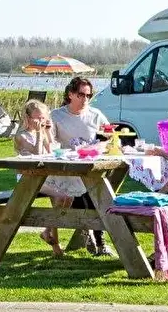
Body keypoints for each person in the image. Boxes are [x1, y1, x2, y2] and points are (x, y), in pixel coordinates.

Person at [49, 76, 111, 255]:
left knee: (101, 192)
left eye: (88, 96)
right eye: (81, 95)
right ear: (70, 94)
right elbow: (50, 143)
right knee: (84, 192)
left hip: (91, 166)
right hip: (66, 169)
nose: (85, 99)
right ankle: (93, 236)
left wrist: (103, 142)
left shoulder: (95, 115)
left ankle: (96, 238)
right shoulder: (57, 116)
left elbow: (109, 135)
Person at [13, 99, 66, 256]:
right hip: (28, 178)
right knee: (61, 196)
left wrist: (47, 132)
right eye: (37, 118)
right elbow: (37, 155)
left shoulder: (42, 132)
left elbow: (51, 152)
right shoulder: (21, 136)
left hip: (44, 176)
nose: (40, 122)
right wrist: (38, 133)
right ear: (28, 118)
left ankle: (48, 232)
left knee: (68, 196)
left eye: (43, 118)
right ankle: (55, 243)